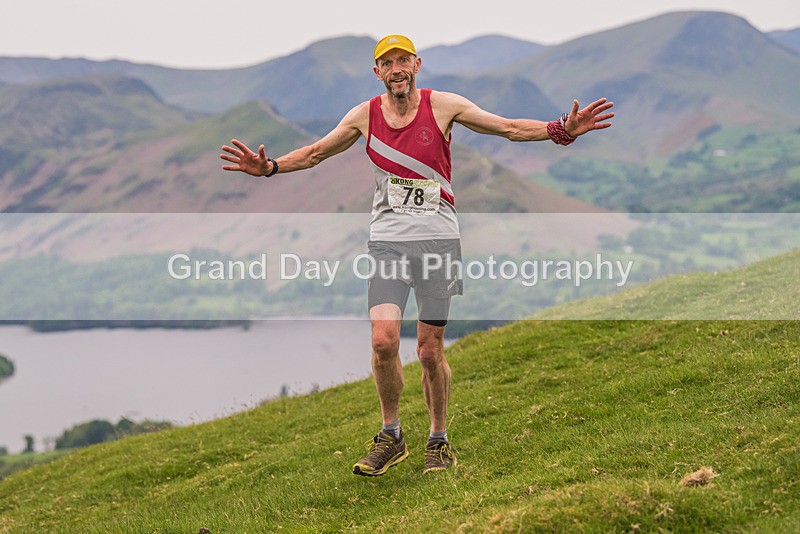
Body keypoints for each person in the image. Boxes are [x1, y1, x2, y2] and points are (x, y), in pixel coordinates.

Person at [220, 34, 614, 476]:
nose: (396, 69)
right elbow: (314, 154)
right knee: (383, 340)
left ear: (417, 64)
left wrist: (560, 129)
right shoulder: (363, 116)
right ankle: (391, 435)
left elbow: (507, 127)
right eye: (386, 63)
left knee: (429, 351)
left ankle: (438, 440)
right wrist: (270, 168)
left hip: (438, 242)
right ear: (377, 73)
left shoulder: (443, 105)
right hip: (388, 242)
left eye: (402, 60)